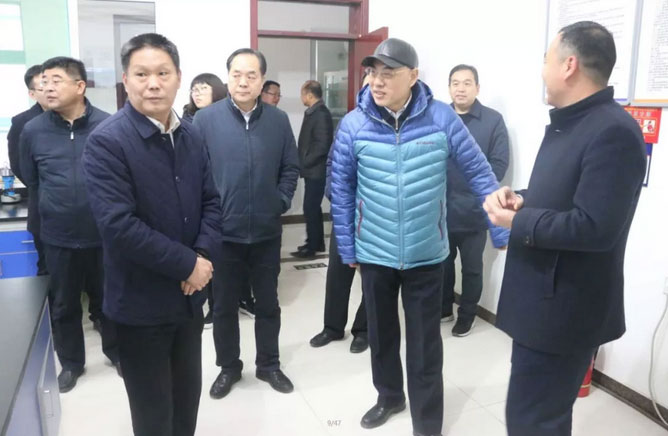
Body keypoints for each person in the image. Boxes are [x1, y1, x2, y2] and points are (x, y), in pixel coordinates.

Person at [330, 38, 508, 436]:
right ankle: (389, 396)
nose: (377, 81)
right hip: (375, 251)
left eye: (388, 73)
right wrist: (348, 247)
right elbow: (341, 189)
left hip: (427, 252)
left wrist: (499, 227)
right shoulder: (354, 125)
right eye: (372, 72)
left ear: (413, 76)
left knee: (426, 343)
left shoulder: (442, 119)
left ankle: (427, 421)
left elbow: (480, 173)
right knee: (381, 335)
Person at [483, 21, 646, 436]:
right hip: (543, 301)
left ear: (569, 65)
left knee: (535, 421)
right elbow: (563, 197)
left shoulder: (613, 131)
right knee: (533, 415)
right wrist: (521, 198)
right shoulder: (572, 122)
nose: (542, 71)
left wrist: (518, 221)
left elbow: (595, 226)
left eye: (546, 60)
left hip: (565, 309)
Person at [83, 33, 222, 436]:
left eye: (163, 73)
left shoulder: (191, 135)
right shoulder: (107, 141)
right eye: (142, 74)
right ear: (126, 80)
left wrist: (202, 256)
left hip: (188, 300)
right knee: (153, 416)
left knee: (186, 404)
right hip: (140, 305)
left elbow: (212, 202)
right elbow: (118, 225)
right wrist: (188, 264)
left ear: (178, 78)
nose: (153, 84)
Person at [193, 48, 299, 399]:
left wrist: (280, 201)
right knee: (223, 307)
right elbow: (193, 173)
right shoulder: (205, 121)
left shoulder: (278, 120)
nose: (243, 81)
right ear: (227, 78)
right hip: (223, 234)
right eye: (236, 74)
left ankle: (269, 364)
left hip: (266, 232)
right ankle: (229, 367)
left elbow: (290, 167)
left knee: (268, 304)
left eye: (251, 75)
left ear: (261, 80)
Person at [19, 57, 119, 393]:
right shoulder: (33, 130)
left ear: (80, 86)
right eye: (44, 81)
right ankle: (72, 363)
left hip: (103, 234)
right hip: (57, 235)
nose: (46, 87)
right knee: (63, 304)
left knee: (109, 300)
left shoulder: (108, 125)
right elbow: (32, 178)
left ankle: (117, 353)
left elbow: (120, 179)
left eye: (55, 80)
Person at [441, 64, 509, 336]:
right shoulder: (439, 118)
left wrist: (471, 188)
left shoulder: (492, 121)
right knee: (442, 266)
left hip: (474, 211)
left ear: (477, 88)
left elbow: (499, 165)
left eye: (467, 83)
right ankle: (443, 308)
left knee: (471, 269)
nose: (461, 88)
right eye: (455, 83)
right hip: (440, 210)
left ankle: (467, 315)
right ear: (449, 88)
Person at [310, 74, 369, 354]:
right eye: (368, 84)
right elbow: (332, 162)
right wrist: (335, 196)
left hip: (377, 217)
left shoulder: (395, 128)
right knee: (337, 273)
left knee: (372, 278)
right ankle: (332, 327)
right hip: (347, 213)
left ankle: (364, 330)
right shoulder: (350, 122)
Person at [180, 72, 228, 328]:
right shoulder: (184, 120)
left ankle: (225, 301)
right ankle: (206, 301)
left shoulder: (224, 119)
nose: (196, 93)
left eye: (202, 88)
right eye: (194, 89)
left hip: (222, 195)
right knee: (202, 250)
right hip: (196, 196)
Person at [8, 65, 49, 275]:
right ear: (32, 94)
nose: (51, 90)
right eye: (43, 86)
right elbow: (19, 166)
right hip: (43, 211)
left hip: (83, 218)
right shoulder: (22, 123)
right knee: (49, 272)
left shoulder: (78, 119)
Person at [291, 80, 333, 258]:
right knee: (312, 208)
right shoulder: (313, 112)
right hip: (312, 170)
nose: (301, 97)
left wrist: (305, 162)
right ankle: (316, 243)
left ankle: (312, 246)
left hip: (317, 170)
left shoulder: (321, 113)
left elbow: (322, 145)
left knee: (310, 207)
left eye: (302, 94)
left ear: (309, 95)